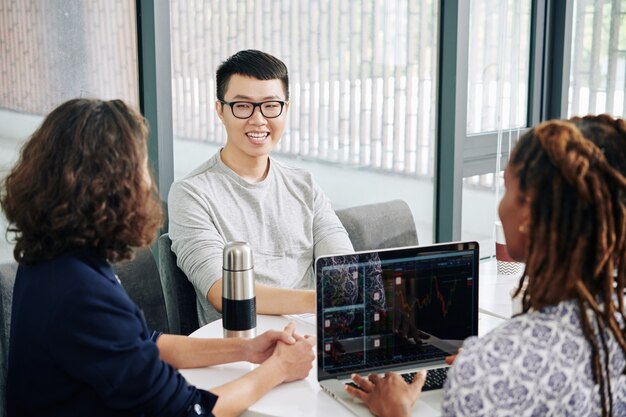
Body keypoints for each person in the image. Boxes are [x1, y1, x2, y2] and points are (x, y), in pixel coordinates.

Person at [1, 98, 316, 417]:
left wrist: (246, 348)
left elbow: (142, 345)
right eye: (141, 166)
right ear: (113, 186)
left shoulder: (52, 258)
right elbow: (189, 412)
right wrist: (278, 369)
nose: (148, 180)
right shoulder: (84, 293)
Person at [345, 114, 626, 417]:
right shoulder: (615, 330)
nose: (500, 205)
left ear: (529, 216)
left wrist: (397, 412)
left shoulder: (485, 373)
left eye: (508, 189)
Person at [168, 49, 354, 326]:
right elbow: (226, 293)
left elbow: (345, 269)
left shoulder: (304, 185)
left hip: (319, 339)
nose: (258, 120)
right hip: (245, 346)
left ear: (286, 109)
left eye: (270, 105)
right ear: (220, 110)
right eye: (243, 106)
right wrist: (319, 301)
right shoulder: (191, 193)